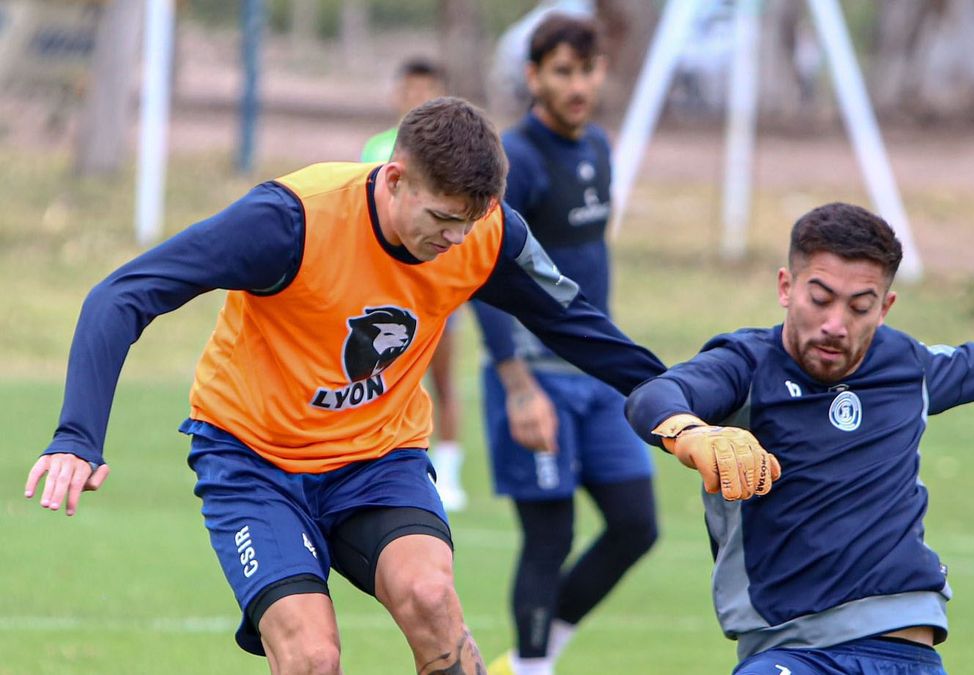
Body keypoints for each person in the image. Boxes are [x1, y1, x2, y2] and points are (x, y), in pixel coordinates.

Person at [23, 97, 761, 675]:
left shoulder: (488, 233)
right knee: (312, 655)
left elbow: (581, 329)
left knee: (433, 597)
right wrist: (77, 434)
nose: (456, 239)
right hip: (253, 460)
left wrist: (689, 407)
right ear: (395, 178)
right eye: (443, 218)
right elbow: (123, 293)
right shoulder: (291, 221)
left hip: (377, 458)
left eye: (470, 222)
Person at [625, 202, 974, 675]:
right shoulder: (745, 365)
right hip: (792, 648)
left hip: (903, 647)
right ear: (786, 288)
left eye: (860, 307)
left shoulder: (903, 365)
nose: (837, 323)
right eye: (821, 298)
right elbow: (658, 395)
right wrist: (692, 433)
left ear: (883, 309)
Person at [474, 15, 673, 675]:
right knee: (549, 533)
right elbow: (481, 275)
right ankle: (531, 667)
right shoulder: (516, 160)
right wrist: (517, 385)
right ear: (534, 76)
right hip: (535, 376)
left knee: (635, 522)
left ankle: (536, 655)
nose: (578, 84)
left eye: (587, 70)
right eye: (562, 71)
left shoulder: (600, 148)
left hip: (595, 377)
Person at [360, 58, 469, 512]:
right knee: (377, 379)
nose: (415, 98)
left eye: (426, 90)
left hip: (437, 285)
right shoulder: (378, 149)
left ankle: (449, 474)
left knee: (442, 379)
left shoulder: (458, 159)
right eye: (409, 89)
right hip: (382, 292)